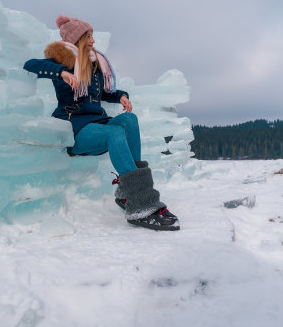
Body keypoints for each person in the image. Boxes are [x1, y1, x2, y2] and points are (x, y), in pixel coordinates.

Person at [23, 15, 179, 231]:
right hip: (75, 127)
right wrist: (62, 73)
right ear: (77, 39)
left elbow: (107, 93)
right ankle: (141, 203)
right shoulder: (60, 61)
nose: (93, 42)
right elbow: (30, 65)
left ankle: (127, 194)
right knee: (114, 133)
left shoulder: (96, 65)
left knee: (129, 120)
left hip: (97, 122)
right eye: (89, 37)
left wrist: (121, 97)